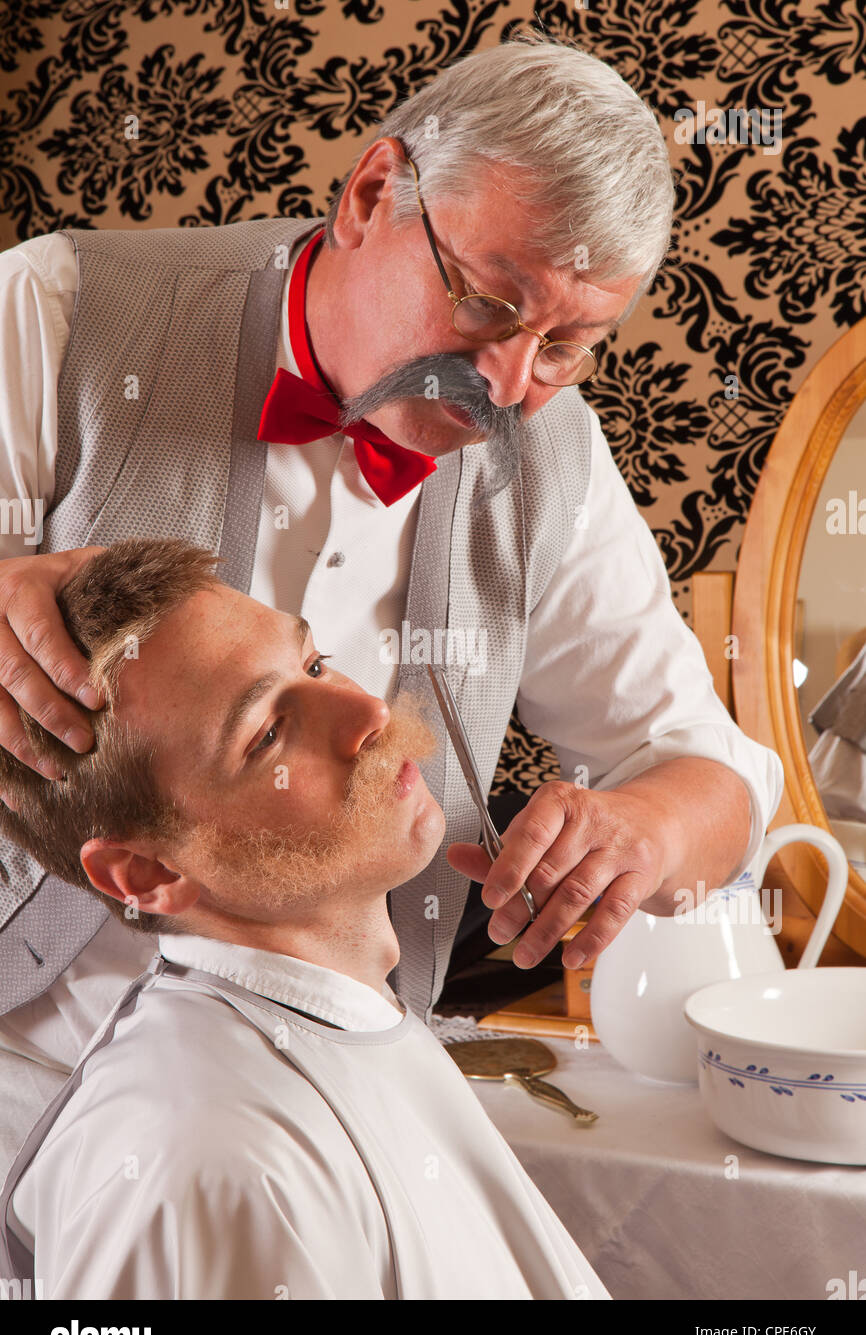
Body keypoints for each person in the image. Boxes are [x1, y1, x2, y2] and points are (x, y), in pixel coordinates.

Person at [0, 32, 784, 1050]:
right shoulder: (55, 312)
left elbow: (707, 768)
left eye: (565, 344)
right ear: (372, 194)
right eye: (484, 301)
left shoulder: (551, 459)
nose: (504, 385)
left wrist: (650, 828)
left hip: (340, 1075)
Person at [0, 537, 610, 1300]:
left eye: (315, 664)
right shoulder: (214, 1171)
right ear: (149, 874)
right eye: (267, 734)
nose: (368, 712)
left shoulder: (346, 1016)